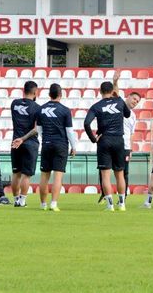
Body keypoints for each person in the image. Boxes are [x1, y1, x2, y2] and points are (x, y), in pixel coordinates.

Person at [84, 81, 131, 211]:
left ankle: (109, 205)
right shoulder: (120, 102)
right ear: (112, 91)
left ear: (100, 91)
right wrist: (119, 96)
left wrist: (93, 139)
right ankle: (122, 204)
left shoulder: (96, 106)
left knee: (105, 175)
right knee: (120, 174)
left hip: (104, 140)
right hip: (118, 140)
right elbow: (128, 114)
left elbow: (86, 123)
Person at [98, 71, 141, 201]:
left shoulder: (133, 116)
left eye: (138, 101)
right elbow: (115, 92)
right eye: (134, 99)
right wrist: (115, 81)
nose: (135, 102)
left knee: (123, 172)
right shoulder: (118, 105)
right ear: (127, 97)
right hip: (113, 140)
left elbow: (132, 133)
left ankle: (123, 197)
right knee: (105, 171)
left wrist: (131, 148)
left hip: (125, 146)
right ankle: (106, 194)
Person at [36, 83, 77, 212]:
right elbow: (69, 131)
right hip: (61, 144)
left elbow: (39, 130)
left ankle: (43, 204)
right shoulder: (65, 110)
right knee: (57, 176)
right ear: (61, 94)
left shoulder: (40, 109)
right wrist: (74, 146)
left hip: (47, 144)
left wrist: (46, 140)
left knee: (44, 176)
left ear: (49, 94)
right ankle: (53, 204)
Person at [9, 81, 41, 207]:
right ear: (35, 92)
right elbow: (35, 129)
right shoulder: (37, 108)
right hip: (30, 143)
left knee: (16, 173)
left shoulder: (14, 104)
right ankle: (22, 201)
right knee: (26, 175)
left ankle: (16, 199)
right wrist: (23, 138)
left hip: (15, 142)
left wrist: (19, 138)